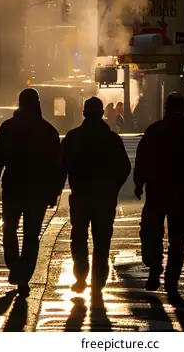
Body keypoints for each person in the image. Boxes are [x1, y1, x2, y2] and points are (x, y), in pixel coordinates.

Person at [0, 88, 63, 296]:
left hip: (13, 186)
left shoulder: (8, 128)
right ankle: (24, 276)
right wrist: (54, 192)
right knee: (31, 235)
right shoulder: (48, 130)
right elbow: (57, 165)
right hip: (37, 190)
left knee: (9, 230)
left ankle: (15, 268)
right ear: (37, 104)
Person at [134, 92, 184, 298]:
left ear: (165, 107)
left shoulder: (155, 130)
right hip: (182, 194)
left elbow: (143, 158)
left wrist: (139, 183)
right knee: (178, 238)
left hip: (157, 191)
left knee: (151, 232)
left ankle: (154, 265)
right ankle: (172, 279)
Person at [61, 96, 131, 296]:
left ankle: (80, 277)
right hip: (104, 198)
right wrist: (113, 188)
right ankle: (99, 280)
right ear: (102, 114)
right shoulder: (112, 139)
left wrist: (57, 189)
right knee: (102, 239)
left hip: (80, 196)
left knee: (79, 236)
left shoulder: (73, 137)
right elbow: (124, 167)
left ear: (84, 113)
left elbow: (61, 166)